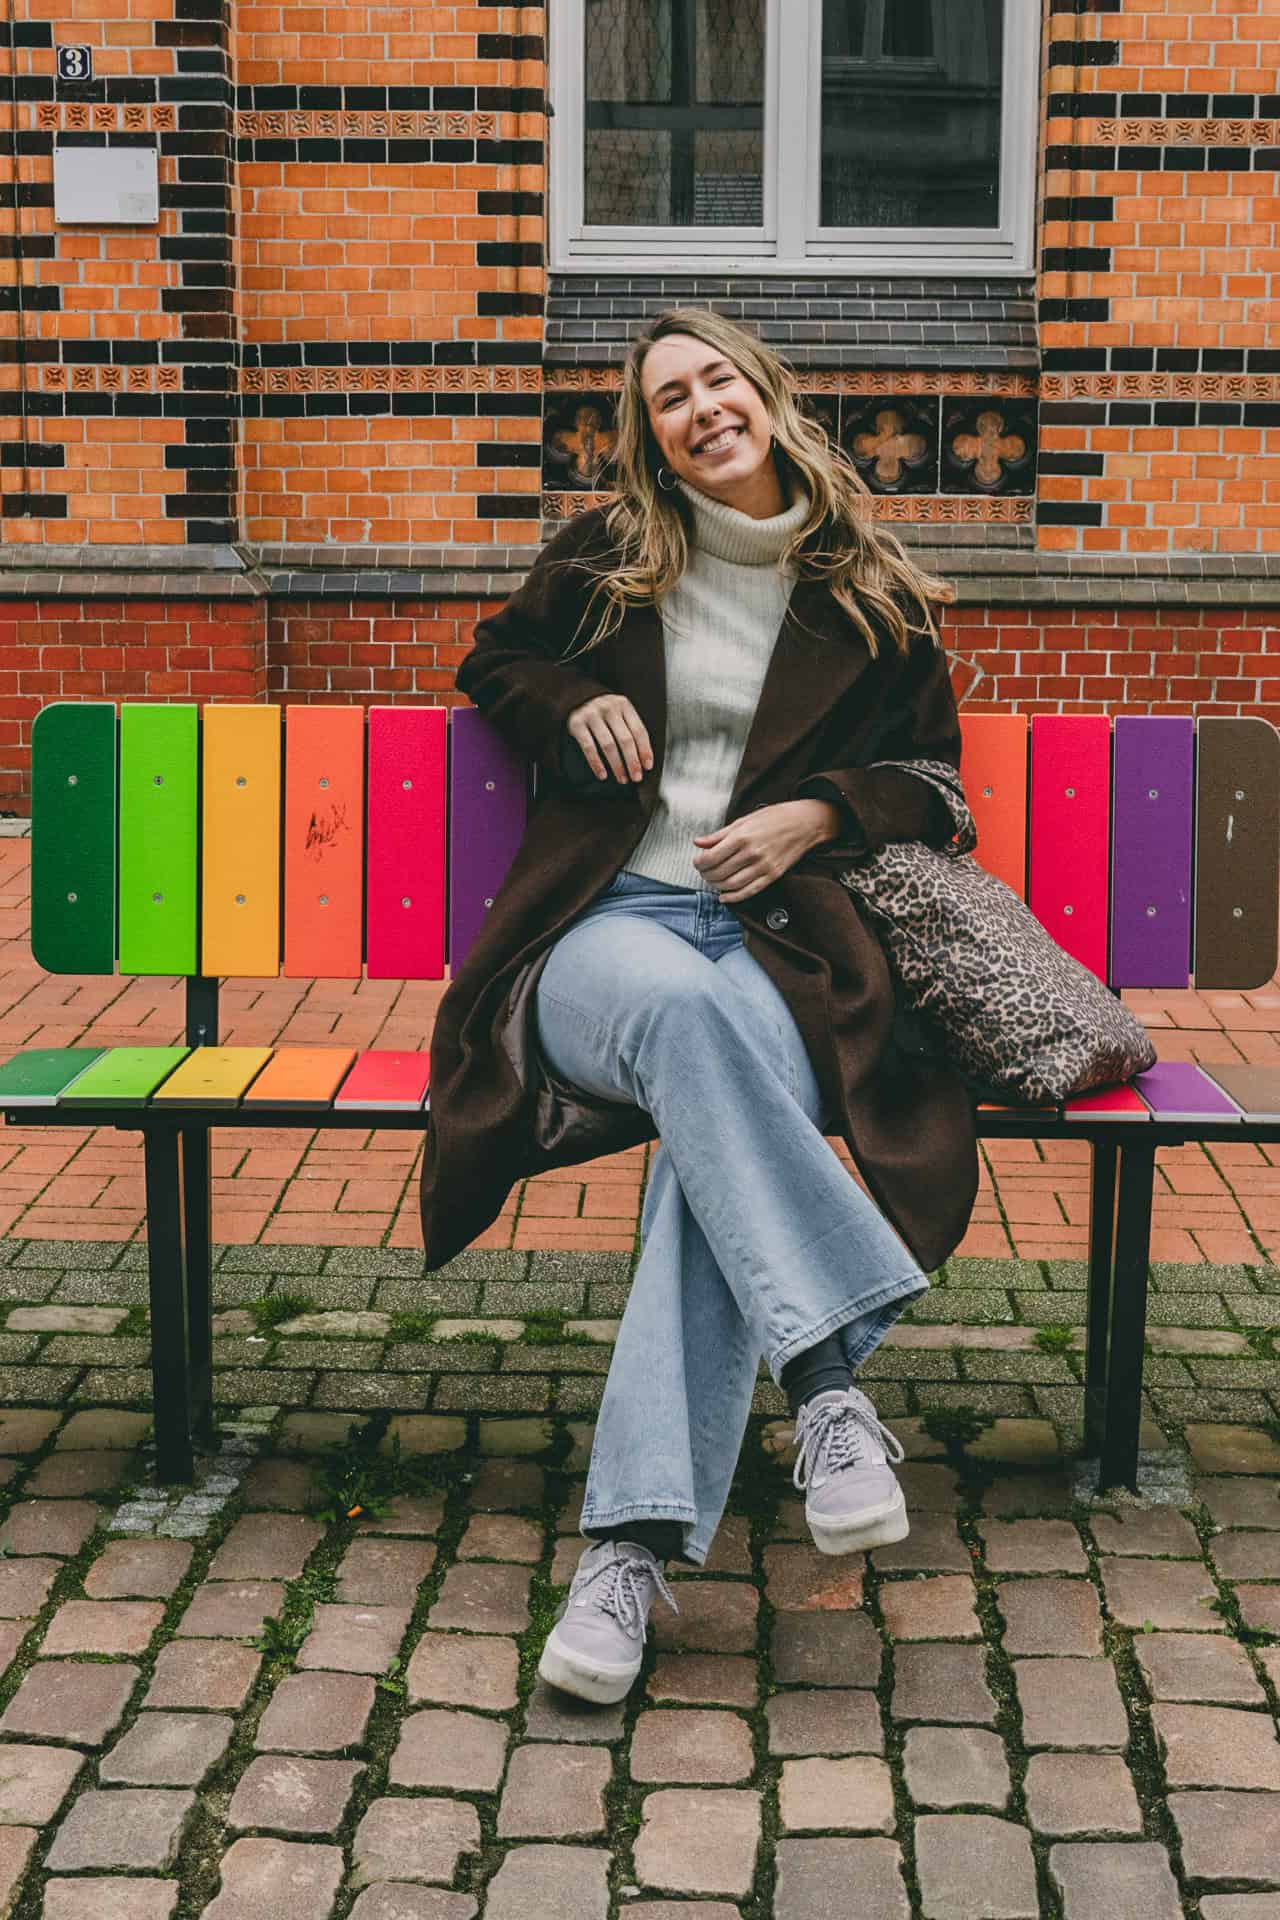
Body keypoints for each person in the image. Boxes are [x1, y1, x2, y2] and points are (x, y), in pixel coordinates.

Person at [420, 308, 979, 1706]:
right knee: (685, 1027)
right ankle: (831, 1385)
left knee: (706, 1154)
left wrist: (814, 813)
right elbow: (492, 661)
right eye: (668, 398)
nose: (699, 408)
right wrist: (562, 705)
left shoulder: (869, 597)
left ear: (768, 396)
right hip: (602, 935)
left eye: (716, 378)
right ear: (652, 439)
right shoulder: (612, 563)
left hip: (784, 949)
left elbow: (935, 791)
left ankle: (627, 1554)